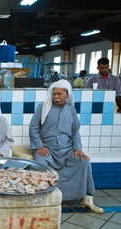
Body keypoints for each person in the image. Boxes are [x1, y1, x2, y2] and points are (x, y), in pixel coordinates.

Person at [29, 79, 104, 214]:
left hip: (66, 149)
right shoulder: (43, 107)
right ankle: (46, 197)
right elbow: (33, 127)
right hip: (48, 149)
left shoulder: (71, 110)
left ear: (67, 95)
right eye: (54, 94)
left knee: (84, 161)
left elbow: (75, 131)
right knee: (41, 163)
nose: (56, 97)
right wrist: (39, 146)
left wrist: (78, 149)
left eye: (59, 94)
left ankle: (87, 198)